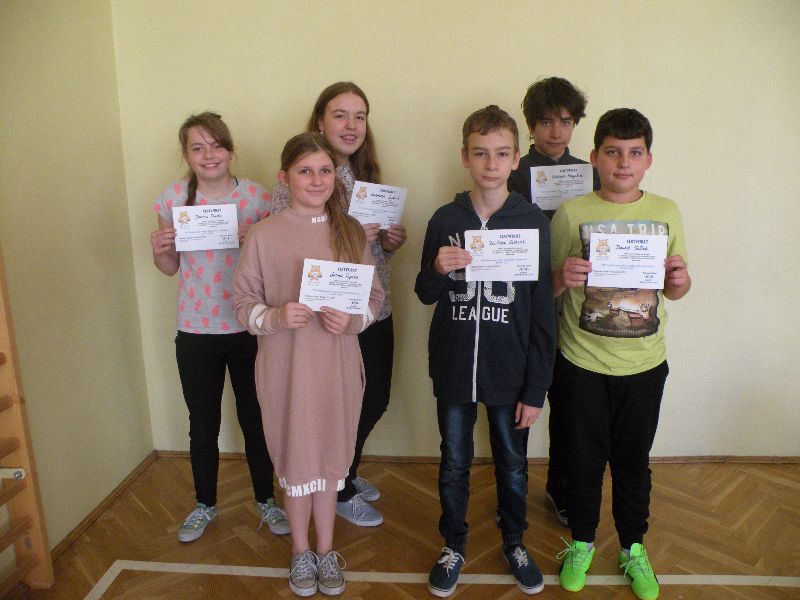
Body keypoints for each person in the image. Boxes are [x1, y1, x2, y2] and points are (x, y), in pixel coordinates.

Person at [233, 133, 384, 597]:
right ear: (284, 178)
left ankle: (325, 549)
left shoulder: (350, 231)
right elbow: (243, 303)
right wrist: (276, 317)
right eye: (305, 171)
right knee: (297, 458)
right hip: (286, 370)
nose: (316, 180)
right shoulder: (263, 235)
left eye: (324, 171)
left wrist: (352, 320)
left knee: (331, 457)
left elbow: (373, 299)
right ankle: (300, 551)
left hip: (337, 369)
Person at [415, 105, 555, 597]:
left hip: (509, 371)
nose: (490, 164)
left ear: (516, 159)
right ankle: (453, 544)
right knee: (454, 462)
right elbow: (424, 293)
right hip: (454, 366)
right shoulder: (444, 218)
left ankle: (514, 542)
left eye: (500, 154)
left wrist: (536, 389)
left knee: (512, 465)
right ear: (465, 157)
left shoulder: (533, 222)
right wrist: (437, 268)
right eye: (480, 153)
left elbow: (542, 312)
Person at [551, 109, 691, 600]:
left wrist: (679, 281)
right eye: (613, 152)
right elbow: (546, 289)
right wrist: (560, 277)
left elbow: (676, 289)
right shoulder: (571, 213)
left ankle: (633, 548)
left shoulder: (667, 210)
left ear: (648, 159)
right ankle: (582, 543)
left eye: (634, 153)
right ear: (595, 157)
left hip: (645, 365)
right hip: (581, 363)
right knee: (583, 462)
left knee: (633, 463)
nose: (623, 163)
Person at [149, 112, 289, 543]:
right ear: (186, 154)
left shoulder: (257, 198)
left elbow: (277, 265)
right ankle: (204, 504)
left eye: (216, 146)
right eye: (198, 147)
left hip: (249, 326)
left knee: (256, 418)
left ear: (230, 150)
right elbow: (169, 267)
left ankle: (266, 499)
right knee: (203, 422)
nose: (208, 155)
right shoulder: (173, 199)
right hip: (195, 329)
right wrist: (160, 249)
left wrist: (256, 237)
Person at [271, 81, 406, 527]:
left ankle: (344, 470)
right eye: (340, 115)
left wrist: (388, 242)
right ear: (320, 121)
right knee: (336, 404)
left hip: (372, 307)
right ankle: (339, 486)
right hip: (325, 316)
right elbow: (288, 244)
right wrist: (345, 236)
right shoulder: (302, 172)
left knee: (373, 397)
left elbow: (374, 255)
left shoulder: (367, 178)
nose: (351, 125)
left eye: (359, 116)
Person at [508, 76, 600, 529]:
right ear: (531, 125)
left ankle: (560, 490)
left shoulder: (591, 175)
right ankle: (512, 495)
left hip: (576, 311)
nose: (556, 132)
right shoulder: (512, 172)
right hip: (523, 307)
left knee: (569, 410)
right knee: (518, 407)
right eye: (546, 122)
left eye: (565, 122)